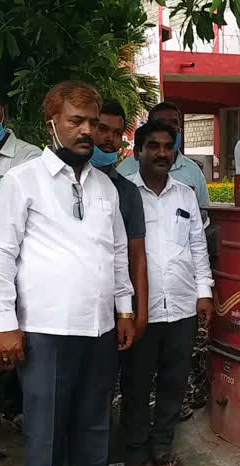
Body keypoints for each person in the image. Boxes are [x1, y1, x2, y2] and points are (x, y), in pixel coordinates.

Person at [0, 81, 135, 466]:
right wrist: (5, 324)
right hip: (45, 333)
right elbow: (2, 254)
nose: (87, 131)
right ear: (52, 124)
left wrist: (124, 310)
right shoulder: (22, 180)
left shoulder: (105, 187)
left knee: (93, 429)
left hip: (100, 331)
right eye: (76, 121)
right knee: (45, 436)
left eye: (93, 122)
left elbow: (118, 254)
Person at [120, 119, 214, 466]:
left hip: (181, 306)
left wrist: (204, 290)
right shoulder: (125, 195)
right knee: (136, 384)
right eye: (153, 146)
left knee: (175, 382)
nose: (161, 153)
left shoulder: (185, 194)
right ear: (138, 151)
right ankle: (134, 453)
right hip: (141, 311)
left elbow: (197, 246)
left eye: (167, 146)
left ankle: (162, 445)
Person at [92, 99, 149, 340]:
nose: (109, 139)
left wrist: (140, 313)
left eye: (116, 133)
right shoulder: (61, 182)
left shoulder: (127, 191)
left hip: (115, 307)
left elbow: (136, 255)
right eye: (102, 129)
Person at [117, 102, 210, 223]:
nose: (168, 127)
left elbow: (202, 214)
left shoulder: (193, 171)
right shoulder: (125, 169)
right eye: (161, 122)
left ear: (180, 128)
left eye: (174, 123)